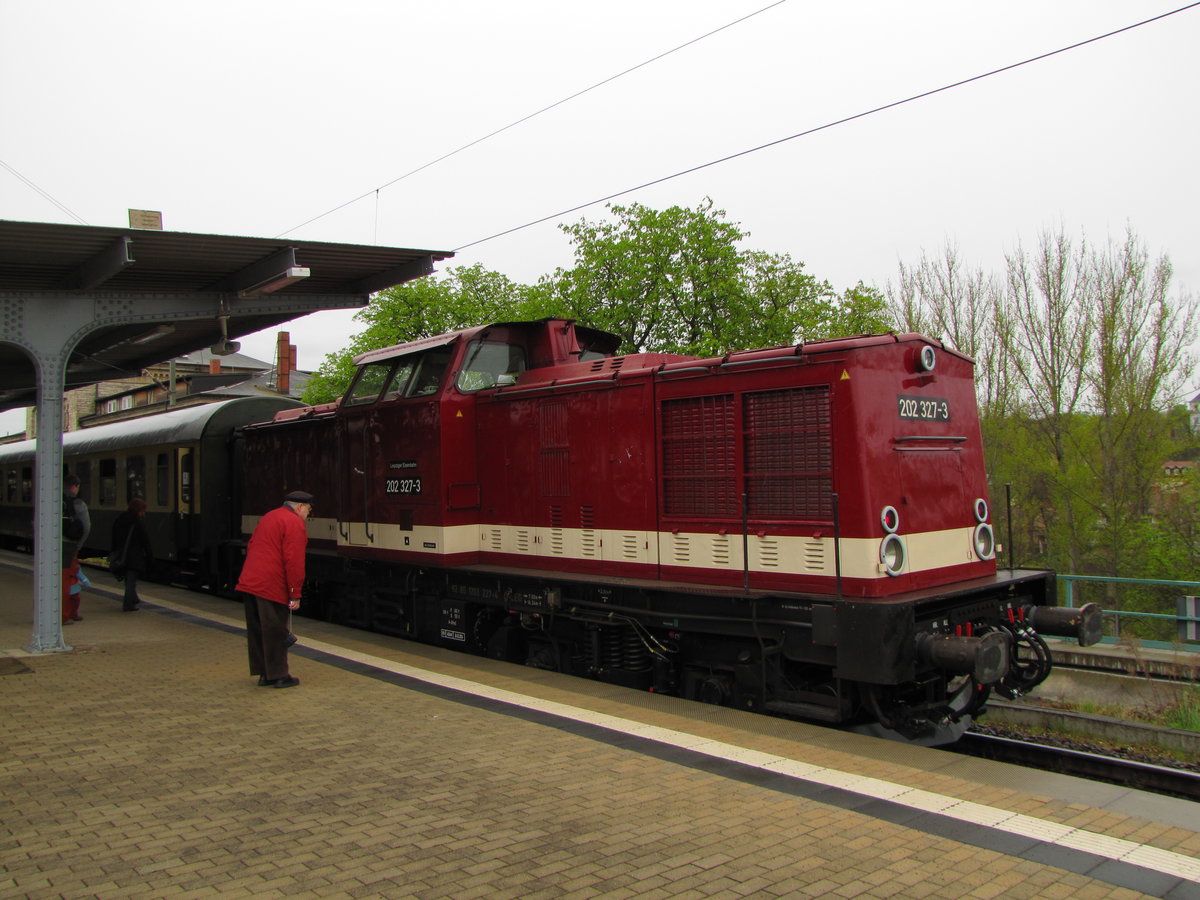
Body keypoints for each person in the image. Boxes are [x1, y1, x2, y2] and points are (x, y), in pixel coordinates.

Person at [235, 490, 311, 688]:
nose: (308, 515)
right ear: (300, 507)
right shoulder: (294, 523)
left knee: (258, 629)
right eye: (308, 510)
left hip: (250, 581)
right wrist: (295, 592)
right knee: (275, 630)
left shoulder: (270, 516)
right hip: (270, 585)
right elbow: (294, 560)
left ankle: (264, 674)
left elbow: (252, 545)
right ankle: (278, 675)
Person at [111, 498, 153, 611]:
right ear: (139, 510)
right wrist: (150, 556)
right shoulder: (137, 522)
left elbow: (114, 537)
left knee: (128, 580)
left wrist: (114, 552)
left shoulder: (120, 518)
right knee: (131, 581)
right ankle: (128, 604)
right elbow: (145, 540)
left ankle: (134, 599)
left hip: (121, 554)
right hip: (134, 556)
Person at [61, 474, 90, 625]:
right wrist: (78, 547)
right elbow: (86, 528)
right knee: (68, 581)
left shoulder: (53, 500)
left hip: (51, 546)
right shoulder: (78, 504)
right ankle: (65, 615)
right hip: (68, 547)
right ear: (75, 486)